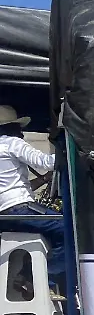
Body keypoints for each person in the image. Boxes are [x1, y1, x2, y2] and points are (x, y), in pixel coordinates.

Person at [0, 106, 64, 291]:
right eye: (18, 128)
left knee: (48, 230)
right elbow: (46, 162)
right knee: (67, 229)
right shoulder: (12, 143)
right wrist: (70, 153)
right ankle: (38, 279)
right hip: (19, 209)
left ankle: (26, 276)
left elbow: (11, 187)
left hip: (5, 215)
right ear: (11, 128)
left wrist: (44, 179)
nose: (22, 133)